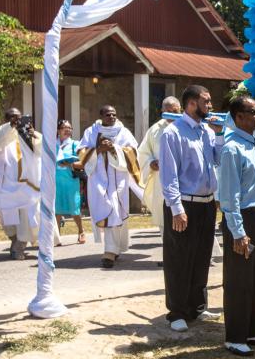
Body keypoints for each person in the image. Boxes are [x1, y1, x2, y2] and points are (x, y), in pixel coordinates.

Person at [219, 95, 255, 356]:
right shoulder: (232, 148)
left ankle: (254, 332)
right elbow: (229, 196)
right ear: (238, 117)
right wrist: (238, 232)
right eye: (253, 112)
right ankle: (234, 336)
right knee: (239, 281)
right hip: (240, 218)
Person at [159, 86, 223, 332]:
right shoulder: (173, 133)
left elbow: (217, 159)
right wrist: (176, 207)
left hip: (206, 203)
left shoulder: (207, 131)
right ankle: (176, 311)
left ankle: (197, 306)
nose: (210, 106)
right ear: (191, 103)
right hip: (184, 203)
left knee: (201, 256)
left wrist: (218, 135)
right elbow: (169, 174)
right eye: (206, 101)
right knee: (179, 259)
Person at [78, 105, 143, 268]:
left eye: (114, 114)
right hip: (98, 178)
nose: (112, 117)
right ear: (101, 116)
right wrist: (99, 149)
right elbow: (82, 152)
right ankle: (113, 249)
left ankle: (110, 252)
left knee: (115, 209)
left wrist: (114, 148)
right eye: (108, 114)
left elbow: (133, 152)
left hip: (118, 178)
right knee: (107, 209)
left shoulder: (123, 131)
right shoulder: (91, 132)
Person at [0, 108, 41, 260]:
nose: (16, 120)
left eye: (18, 117)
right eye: (12, 117)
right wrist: (11, 127)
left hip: (27, 183)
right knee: (7, 215)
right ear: (6, 118)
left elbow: (41, 150)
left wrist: (32, 135)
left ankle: (20, 245)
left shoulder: (28, 132)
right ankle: (15, 240)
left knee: (27, 215)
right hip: (5, 184)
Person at [138, 96, 181, 234]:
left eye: (174, 110)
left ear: (180, 109)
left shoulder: (186, 126)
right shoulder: (155, 129)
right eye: (167, 110)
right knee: (164, 218)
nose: (171, 114)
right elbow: (143, 151)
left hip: (183, 179)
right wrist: (151, 162)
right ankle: (168, 251)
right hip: (161, 179)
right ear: (162, 110)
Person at [55, 119, 85, 244]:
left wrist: (70, 163)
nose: (67, 130)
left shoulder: (75, 144)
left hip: (70, 181)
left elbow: (83, 160)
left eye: (69, 128)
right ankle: (56, 236)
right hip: (56, 180)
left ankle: (81, 231)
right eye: (64, 128)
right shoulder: (53, 144)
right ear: (58, 130)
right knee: (56, 209)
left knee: (74, 208)